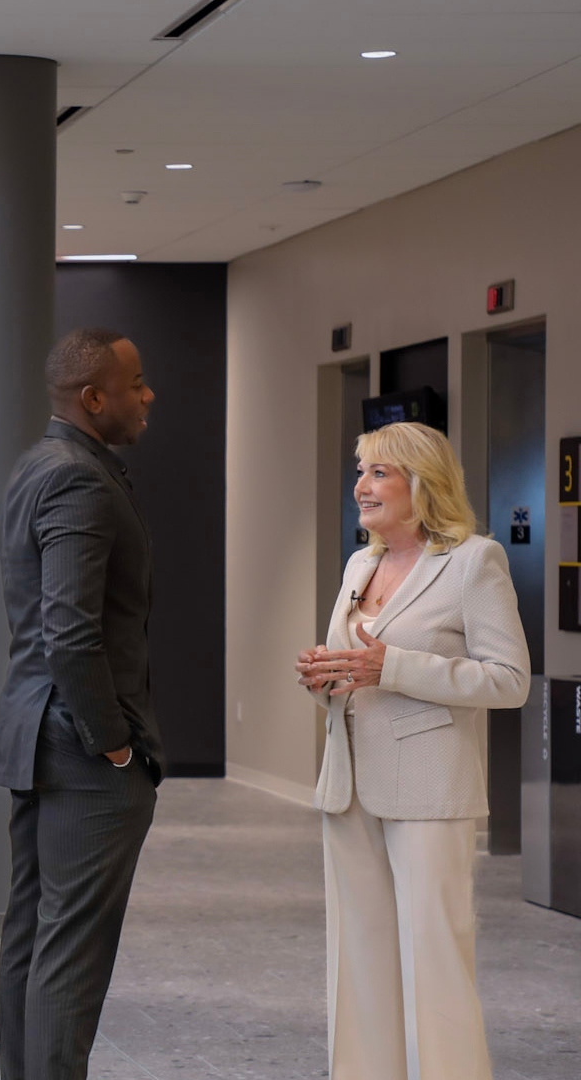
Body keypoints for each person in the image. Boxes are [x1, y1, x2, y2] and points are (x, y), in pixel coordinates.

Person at [293, 421, 528, 1080]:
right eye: (360, 471)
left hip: (428, 791)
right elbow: (357, 671)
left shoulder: (474, 560)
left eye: (379, 473)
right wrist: (325, 678)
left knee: (434, 959)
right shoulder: (358, 565)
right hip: (348, 787)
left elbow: (509, 682)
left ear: (421, 483)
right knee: (358, 961)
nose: (361, 486)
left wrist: (393, 667)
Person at [0, 326, 163, 1080]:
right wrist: (113, 742)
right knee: (70, 951)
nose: (148, 395)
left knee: (34, 933)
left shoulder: (41, 463)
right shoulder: (79, 478)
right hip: (80, 745)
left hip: (38, 732)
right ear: (95, 399)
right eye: (136, 384)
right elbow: (69, 630)